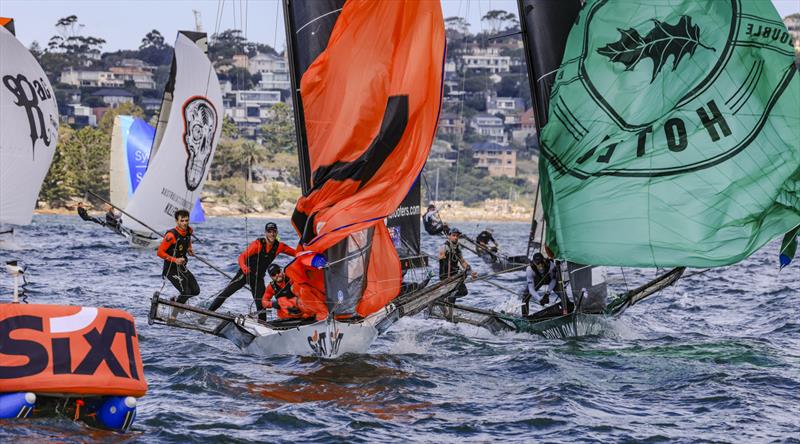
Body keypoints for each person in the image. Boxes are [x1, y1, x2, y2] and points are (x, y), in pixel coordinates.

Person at [208, 222, 296, 320]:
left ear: (277, 232)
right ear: (265, 233)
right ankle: (207, 314)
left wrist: (307, 249)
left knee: (261, 303)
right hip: (245, 274)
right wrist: (244, 267)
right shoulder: (257, 244)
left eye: (274, 231)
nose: (272, 234)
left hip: (258, 278)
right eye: (269, 231)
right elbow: (242, 257)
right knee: (226, 293)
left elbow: (296, 253)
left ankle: (263, 324)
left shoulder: (280, 246)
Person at [157, 209, 200, 303]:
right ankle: (175, 310)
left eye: (186, 220)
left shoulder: (189, 230)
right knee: (186, 293)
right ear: (177, 221)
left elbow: (188, 239)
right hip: (171, 269)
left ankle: (176, 301)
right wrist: (175, 260)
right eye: (182, 221)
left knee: (196, 291)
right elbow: (159, 252)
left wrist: (189, 248)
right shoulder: (171, 235)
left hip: (182, 267)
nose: (184, 223)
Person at [438, 227, 477, 301]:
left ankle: (448, 298)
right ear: (449, 236)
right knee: (452, 294)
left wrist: (471, 271)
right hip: (445, 276)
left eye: (457, 236)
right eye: (453, 235)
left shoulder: (458, 247)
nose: (456, 237)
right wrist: (444, 255)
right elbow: (441, 259)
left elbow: (462, 261)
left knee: (463, 292)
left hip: (455, 275)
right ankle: (445, 299)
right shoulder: (445, 246)